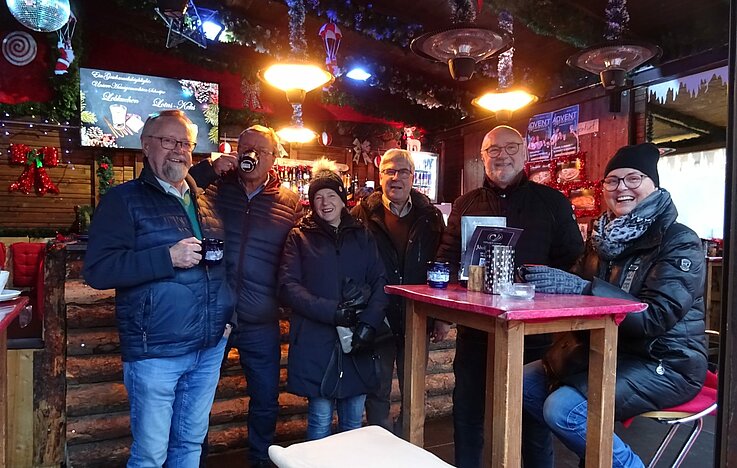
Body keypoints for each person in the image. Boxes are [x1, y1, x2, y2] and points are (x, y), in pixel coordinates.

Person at [520, 142, 707, 468]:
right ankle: (598, 457)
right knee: (522, 382)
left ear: (654, 185)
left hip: (665, 361)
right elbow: (571, 285)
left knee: (563, 409)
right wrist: (527, 283)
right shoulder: (601, 240)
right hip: (606, 351)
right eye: (613, 180)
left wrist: (584, 289)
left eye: (633, 178)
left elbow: (655, 317)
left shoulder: (679, 240)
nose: (622, 188)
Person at [83, 110, 234, 467]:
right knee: (151, 455)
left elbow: (222, 269)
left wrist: (229, 321)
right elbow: (99, 270)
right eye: (168, 141)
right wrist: (167, 257)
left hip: (208, 347)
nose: (178, 150)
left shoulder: (203, 201)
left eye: (185, 144)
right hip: (156, 352)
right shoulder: (123, 200)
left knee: (189, 445)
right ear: (146, 146)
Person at [435, 125, 584, 468]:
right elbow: (447, 258)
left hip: (535, 336)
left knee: (533, 421)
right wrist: (442, 313)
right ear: (482, 157)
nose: (502, 155)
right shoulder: (465, 204)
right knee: (467, 413)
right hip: (476, 331)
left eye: (511, 148)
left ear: (525, 152)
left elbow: (574, 264)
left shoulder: (552, 203)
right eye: (493, 150)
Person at [191, 125, 303, 467]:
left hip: (261, 317)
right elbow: (179, 189)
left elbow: (302, 252)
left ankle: (260, 460)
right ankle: (195, 460)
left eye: (259, 150)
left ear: (273, 158)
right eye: (245, 148)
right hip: (215, 314)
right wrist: (209, 168)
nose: (250, 155)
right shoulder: (214, 188)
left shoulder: (289, 202)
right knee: (198, 398)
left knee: (266, 398)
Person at [279, 158, 389, 439]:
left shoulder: (362, 235)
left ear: (342, 199)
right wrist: (332, 311)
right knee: (320, 422)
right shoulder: (299, 237)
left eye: (331, 195)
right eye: (318, 197)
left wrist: (369, 324)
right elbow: (289, 287)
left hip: (358, 338)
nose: (325, 203)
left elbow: (379, 281)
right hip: (316, 340)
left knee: (353, 425)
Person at [351, 148, 446, 433]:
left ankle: (409, 443)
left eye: (403, 171)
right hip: (377, 317)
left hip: (417, 316)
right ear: (380, 176)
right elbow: (350, 267)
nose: (396, 178)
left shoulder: (430, 216)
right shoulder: (360, 214)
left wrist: (441, 317)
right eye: (389, 171)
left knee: (414, 390)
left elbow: (443, 264)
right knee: (377, 391)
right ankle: (381, 448)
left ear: (413, 177)